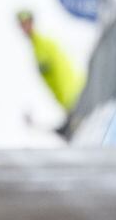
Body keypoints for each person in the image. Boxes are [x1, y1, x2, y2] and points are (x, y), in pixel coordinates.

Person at [16, 10, 84, 139]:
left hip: (72, 99)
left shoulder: (44, 44)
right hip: (68, 102)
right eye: (22, 25)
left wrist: (70, 104)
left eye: (26, 23)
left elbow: (62, 72)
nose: (24, 28)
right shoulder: (37, 46)